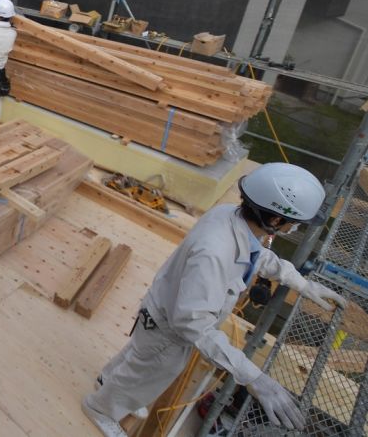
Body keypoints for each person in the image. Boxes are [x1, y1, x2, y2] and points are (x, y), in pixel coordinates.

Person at [83, 163, 347, 436]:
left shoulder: (229, 216)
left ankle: (108, 382)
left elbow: (254, 254)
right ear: (276, 220)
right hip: (170, 331)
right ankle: (100, 407)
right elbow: (191, 324)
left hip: (158, 309)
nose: (294, 228)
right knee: (147, 373)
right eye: (295, 223)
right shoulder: (214, 254)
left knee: (138, 355)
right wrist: (252, 376)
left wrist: (298, 281)